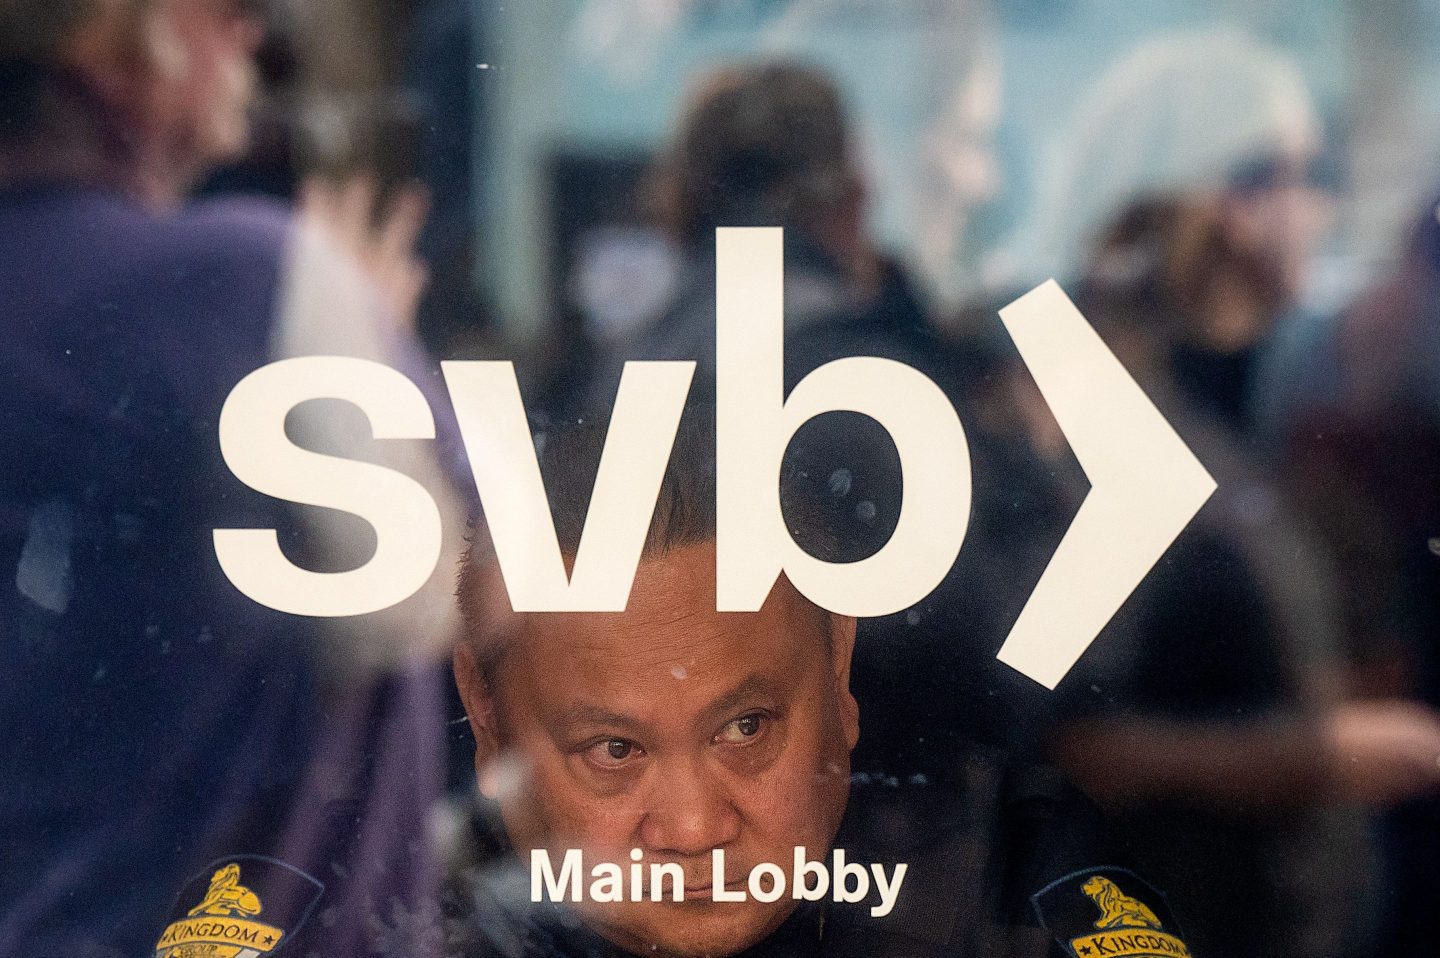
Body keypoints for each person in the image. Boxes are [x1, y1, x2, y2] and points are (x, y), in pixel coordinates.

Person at [0, 1, 462, 953]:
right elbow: (459, 590)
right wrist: (363, 335)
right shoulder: (240, 284)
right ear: (121, 33)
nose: (253, 35)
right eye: (230, 8)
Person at [444, 418, 1196, 958]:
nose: (694, 827)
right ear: (486, 716)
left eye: (745, 730)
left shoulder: (1004, 860)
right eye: (614, 750)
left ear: (839, 665)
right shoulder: (394, 906)